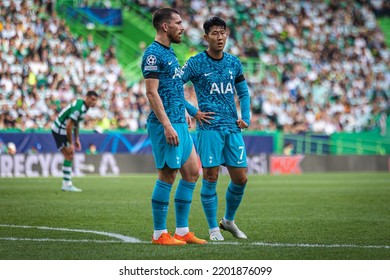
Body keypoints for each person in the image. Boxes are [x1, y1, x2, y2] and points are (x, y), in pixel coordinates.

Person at [141, 8, 212, 246]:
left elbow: (173, 92)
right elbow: (152, 93)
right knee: (168, 175)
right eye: (178, 23)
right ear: (165, 26)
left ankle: (182, 231)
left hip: (179, 122)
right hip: (165, 125)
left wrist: (193, 111)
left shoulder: (170, 54)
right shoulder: (153, 55)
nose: (182, 27)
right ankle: (159, 233)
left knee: (192, 172)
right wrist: (167, 125)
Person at [181, 17, 251, 241]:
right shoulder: (195, 63)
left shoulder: (233, 62)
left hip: (232, 127)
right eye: (215, 33)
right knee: (210, 176)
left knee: (241, 178)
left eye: (223, 33)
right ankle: (213, 229)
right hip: (209, 128)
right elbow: (173, 86)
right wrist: (193, 111)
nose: (220, 37)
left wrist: (245, 116)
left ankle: (228, 221)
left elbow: (244, 93)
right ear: (206, 37)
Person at [51, 90, 98, 192]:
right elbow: (69, 126)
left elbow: (76, 124)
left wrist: (76, 139)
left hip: (61, 129)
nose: (94, 102)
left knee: (70, 155)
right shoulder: (79, 108)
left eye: (95, 100)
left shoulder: (84, 107)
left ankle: (66, 183)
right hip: (60, 129)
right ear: (87, 97)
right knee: (69, 154)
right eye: (92, 99)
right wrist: (71, 143)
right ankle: (66, 184)